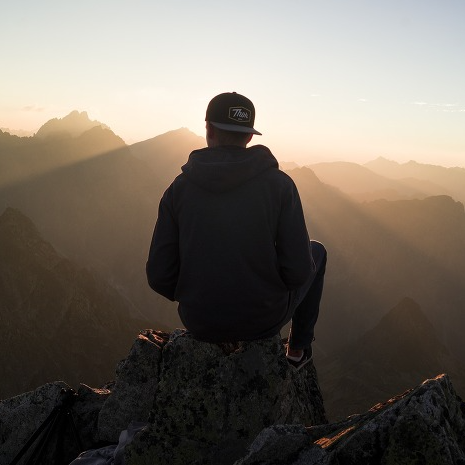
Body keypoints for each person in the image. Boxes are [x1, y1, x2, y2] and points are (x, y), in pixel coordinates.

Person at [146, 92, 327, 370]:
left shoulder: (178, 190)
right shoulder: (280, 186)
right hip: (262, 320)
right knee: (317, 251)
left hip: (199, 320)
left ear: (208, 129)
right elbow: (299, 272)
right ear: (250, 137)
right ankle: (297, 351)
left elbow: (159, 276)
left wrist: (199, 294)